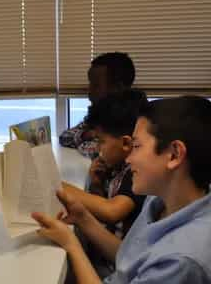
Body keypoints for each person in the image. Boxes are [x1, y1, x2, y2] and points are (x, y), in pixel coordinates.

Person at [33, 96, 211, 284]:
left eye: (136, 146)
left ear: (174, 155)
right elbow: (130, 260)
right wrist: (83, 218)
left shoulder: (180, 261)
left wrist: (71, 244)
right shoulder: (159, 201)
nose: (128, 158)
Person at [62, 89, 147, 277]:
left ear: (126, 143)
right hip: (111, 255)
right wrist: (97, 186)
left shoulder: (136, 173)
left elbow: (112, 211)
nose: (98, 149)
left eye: (101, 141)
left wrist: (58, 186)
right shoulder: (116, 166)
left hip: (114, 269)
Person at [59, 52, 136, 159]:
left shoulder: (136, 120)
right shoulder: (100, 112)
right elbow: (65, 137)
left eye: (95, 85)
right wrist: (86, 135)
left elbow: (102, 154)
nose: (89, 90)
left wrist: (84, 142)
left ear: (118, 87)